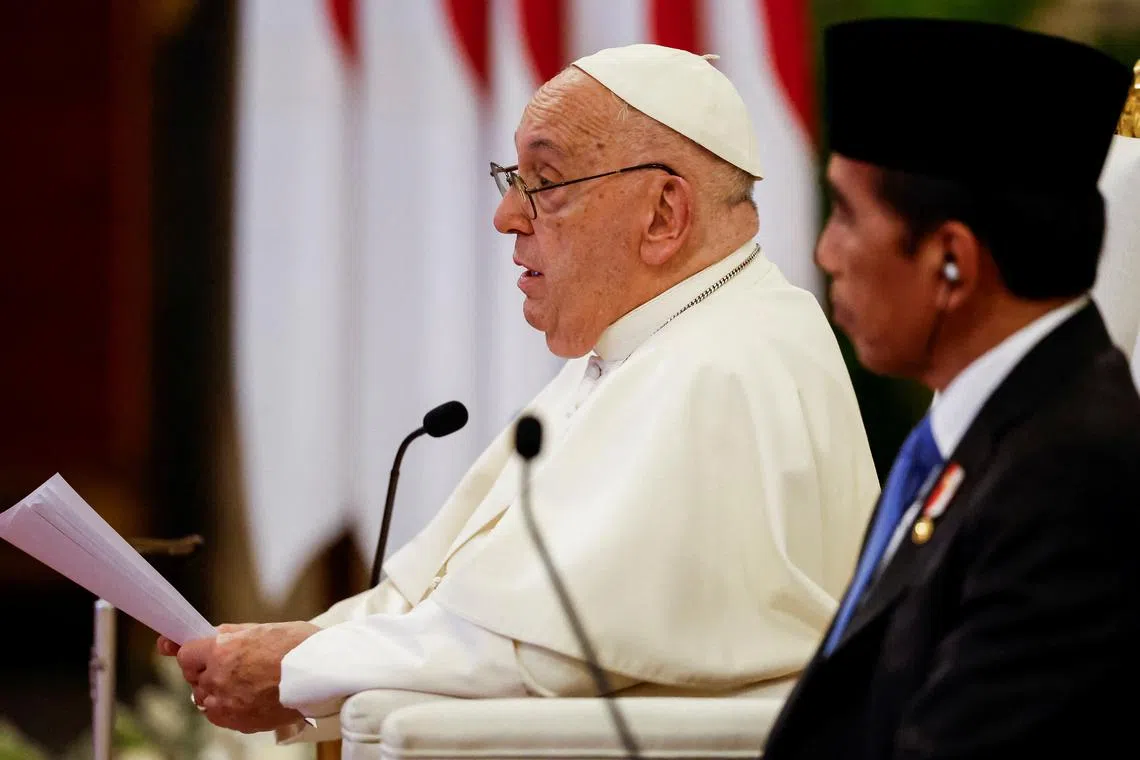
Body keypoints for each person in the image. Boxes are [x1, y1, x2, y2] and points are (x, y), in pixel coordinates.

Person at [161, 43, 879, 736]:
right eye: (514, 179)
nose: (507, 216)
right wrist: (294, 645)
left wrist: (294, 666)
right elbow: (447, 603)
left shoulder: (726, 368)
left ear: (663, 214)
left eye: (546, 183)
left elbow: (545, 648)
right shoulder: (640, 351)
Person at [762, 19, 1140, 760]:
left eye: (846, 214)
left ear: (952, 263)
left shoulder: (1068, 476)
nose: (825, 252)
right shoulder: (993, 433)